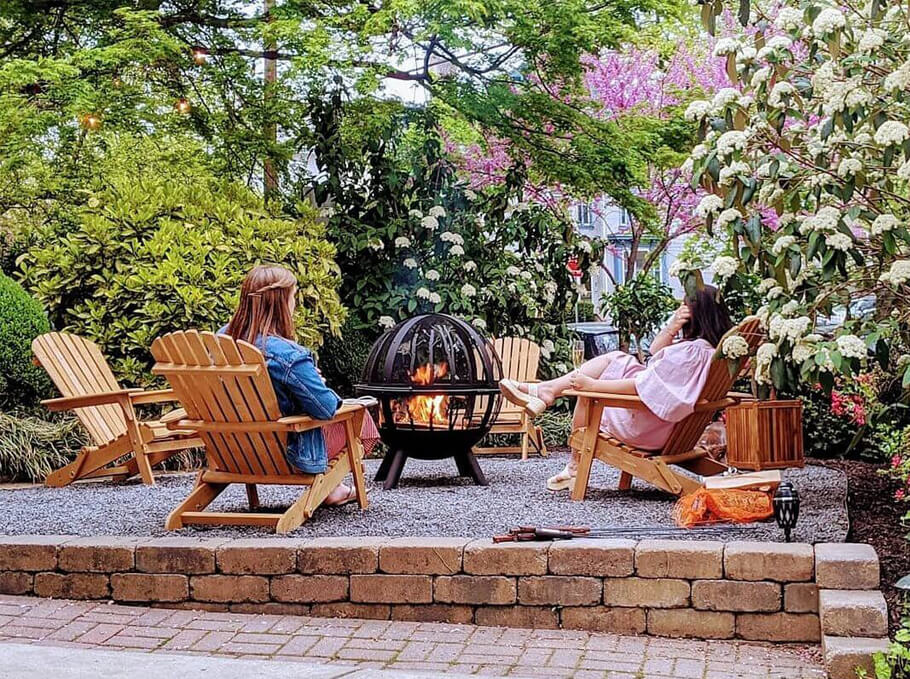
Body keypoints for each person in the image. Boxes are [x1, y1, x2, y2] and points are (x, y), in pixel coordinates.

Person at [500, 285, 733, 491]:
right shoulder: (708, 353)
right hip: (668, 429)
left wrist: (594, 385)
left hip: (647, 430)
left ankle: (573, 464)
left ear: (693, 315)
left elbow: (644, 388)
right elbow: (655, 353)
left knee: (588, 395)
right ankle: (546, 390)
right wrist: (671, 327)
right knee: (616, 359)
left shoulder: (689, 354)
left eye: (683, 307)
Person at [221, 264, 379, 505]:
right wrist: (315, 383)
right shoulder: (288, 355)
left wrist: (303, 380)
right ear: (281, 302)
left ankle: (334, 488)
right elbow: (326, 409)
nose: (295, 304)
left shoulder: (220, 341)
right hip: (285, 452)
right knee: (361, 419)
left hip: (232, 450)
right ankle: (331, 486)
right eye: (294, 297)